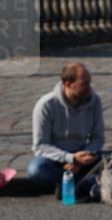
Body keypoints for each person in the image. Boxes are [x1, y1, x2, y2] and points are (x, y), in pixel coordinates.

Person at [29, 63, 105, 191]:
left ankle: (73, 185)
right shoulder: (46, 105)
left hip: (85, 155)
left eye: (89, 82)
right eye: (84, 83)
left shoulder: (94, 100)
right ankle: (86, 185)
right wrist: (71, 158)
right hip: (55, 159)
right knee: (35, 169)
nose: (89, 87)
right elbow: (40, 145)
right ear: (68, 84)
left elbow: (98, 137)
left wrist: (85, 156)